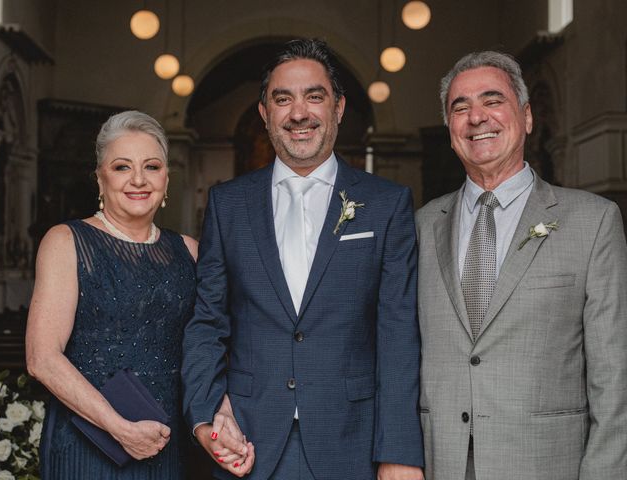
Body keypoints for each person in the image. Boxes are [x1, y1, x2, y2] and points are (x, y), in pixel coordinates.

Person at [182, 38, 424, 480]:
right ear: (264, 113)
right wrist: (205, 415)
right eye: (282, 99)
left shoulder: (386, 205)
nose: (299, 113)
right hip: (247, 442)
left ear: (339, 108)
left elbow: (398, 336)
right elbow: (208, 322)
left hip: (354, 444)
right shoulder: (227, 204)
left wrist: (400, 452)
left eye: (315, 96)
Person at [415, 51, 627, 480]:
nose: (477, 118)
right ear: (449, 129)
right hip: (440, 463)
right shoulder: (419, 226)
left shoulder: (593, 221)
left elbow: (614, 374)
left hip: (547, 464)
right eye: (460, 107)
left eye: (492, 101)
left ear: (526, 117)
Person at [26, 110, 198, 479]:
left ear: (166, 179)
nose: (138, 179)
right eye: (122, 167)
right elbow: (42, 358)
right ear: (100, 179)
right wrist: (119, 427)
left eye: (152, 166)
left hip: (166, 441)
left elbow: (210, 347)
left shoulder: (190, 251)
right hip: (89, 442)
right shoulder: (66, 242)